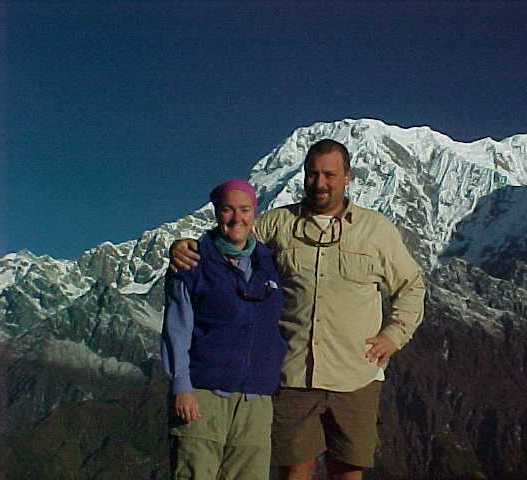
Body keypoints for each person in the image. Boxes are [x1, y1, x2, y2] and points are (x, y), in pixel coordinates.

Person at [170, 140, 425, 480]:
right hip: (291, 375)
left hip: (356, 374)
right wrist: (187, 246)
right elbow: (232, 237)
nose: (320, 183)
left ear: (347, 177)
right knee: (294, 472)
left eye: (329, 175)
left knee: (348, 472)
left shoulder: (376, 230)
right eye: (313, 174)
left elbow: (412, 286)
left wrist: (394, 335)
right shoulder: (278, 224)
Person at [162, 179, 286, 480]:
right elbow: (177, 329)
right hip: (203, 397)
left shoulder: (268, 265)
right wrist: (181, 387)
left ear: (254, 213)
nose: (236, 218)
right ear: (216, 212)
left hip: (255, 401)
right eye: (227, 210)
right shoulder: (191, 262)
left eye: (244, 210)